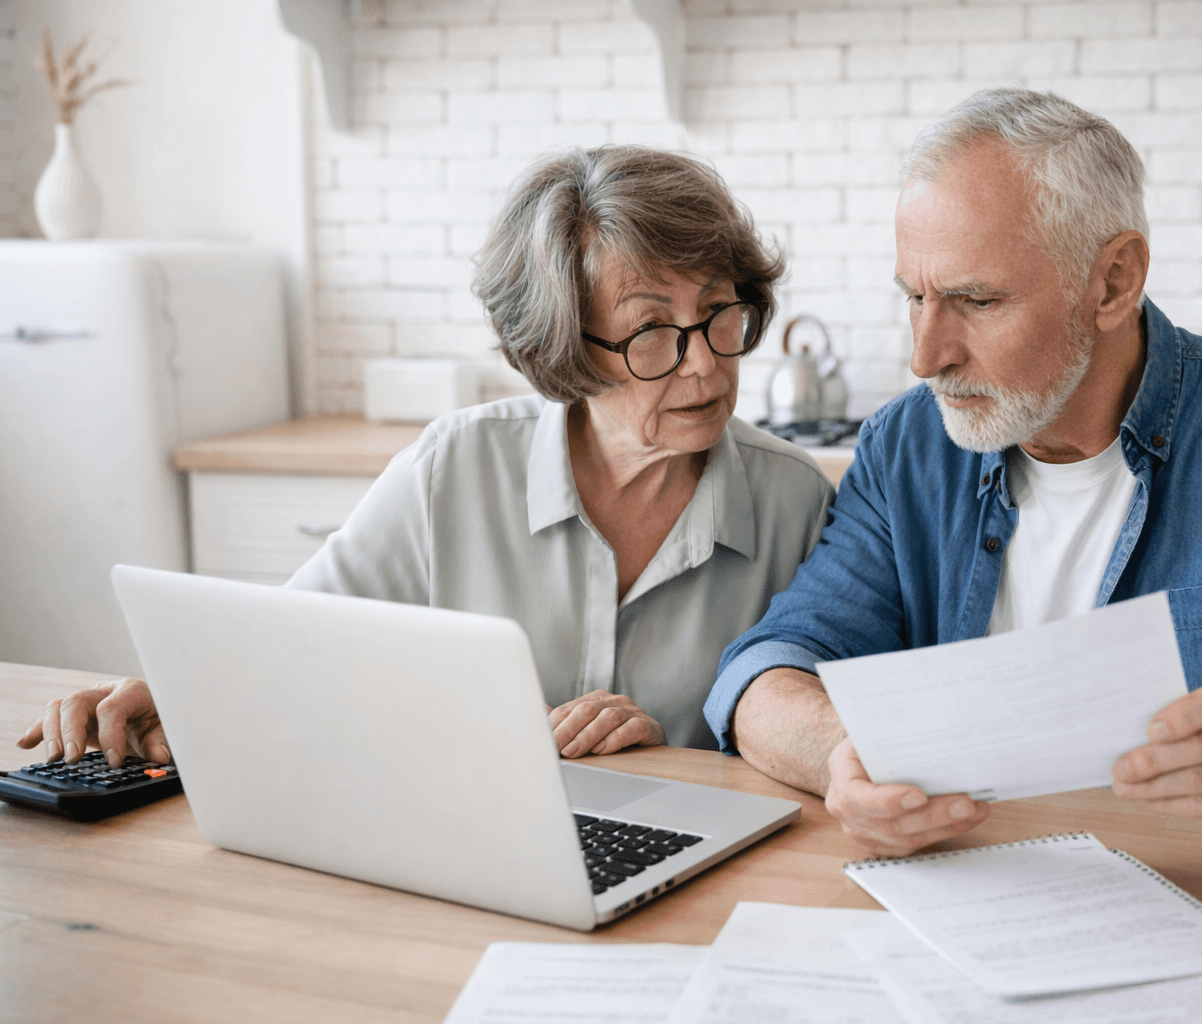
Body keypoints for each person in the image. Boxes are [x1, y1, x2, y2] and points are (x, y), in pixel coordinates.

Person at [708, 89, 1202, 858]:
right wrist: (843, 756)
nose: (926, 357)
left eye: (976, 301)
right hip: (965, 893)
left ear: (1114, 281)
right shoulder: (907, 445)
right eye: (915, 297)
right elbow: (768, 671)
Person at [19, 146, 835, 770]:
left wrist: (677, 767)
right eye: (651, 330)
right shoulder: (457, 466)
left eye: (720, 311)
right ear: (562, 345)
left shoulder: (795, 502)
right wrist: (175, 693)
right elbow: (293, 649)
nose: (705, 364)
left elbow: (825, 755)